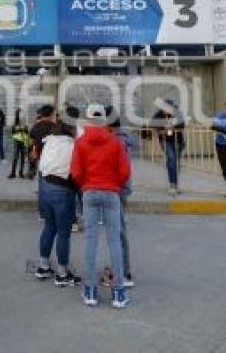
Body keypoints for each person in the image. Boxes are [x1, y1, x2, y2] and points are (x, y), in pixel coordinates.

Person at [70, 104, 131, 309]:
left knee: (90, 240)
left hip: (89, 191)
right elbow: (124, 171)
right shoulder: (115, 142)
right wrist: (113, 183)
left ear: (87, 120)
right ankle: (118, 292)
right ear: (104, 120)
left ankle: (90, 290)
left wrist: (86, 184)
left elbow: (75, 171)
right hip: (111, 192)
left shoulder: (80, 143)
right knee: (114, 240)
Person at [35, 120, 81, 286]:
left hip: (45, 187)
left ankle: (43, 266)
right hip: (62, 189)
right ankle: (62, 274)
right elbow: (77, 171)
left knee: (49, 226)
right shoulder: (73, 145)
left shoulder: (49, 141)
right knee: (63, 232)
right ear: (71, 129)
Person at [105, 110, 138, 289]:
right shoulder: (123, 137)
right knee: (117, 230)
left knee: (117, 232)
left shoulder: (115, 141)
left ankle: (122, 272)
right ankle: (121, 269)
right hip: (120, 189)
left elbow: (120, 170)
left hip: (116, 189)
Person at [152, 100, 186, 196]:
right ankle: (172, 184)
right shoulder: (158, 115)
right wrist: (163, 129)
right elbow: (153, 124)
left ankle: (175, 183)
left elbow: (182, 125)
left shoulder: (177, 114)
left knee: (176, 162)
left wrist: (171, 128)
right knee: (171, 159)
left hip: (178, 141)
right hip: (166, 141)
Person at [29, 104, 57, 180]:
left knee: (41, 175)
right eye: (54, 114)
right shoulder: (55, 127)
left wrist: (33, 153)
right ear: (51, 114)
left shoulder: (36, 126)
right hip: (51, 156)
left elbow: (31, 141)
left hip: (39, 155)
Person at [9, 108, 30, 179]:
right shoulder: (14, 121)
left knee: (23, 157)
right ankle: (13, 173)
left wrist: (26, 140)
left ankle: (21, 173)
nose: (21, 115)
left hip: (23, 141)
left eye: (22, 113)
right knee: (15, 157)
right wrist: (19, 129)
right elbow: (13, 131)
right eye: (20, 113)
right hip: (17, 141)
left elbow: (27, 132)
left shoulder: (25, 122)